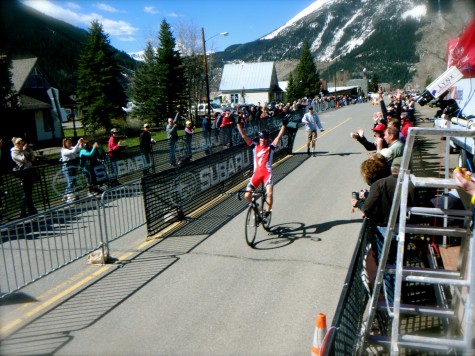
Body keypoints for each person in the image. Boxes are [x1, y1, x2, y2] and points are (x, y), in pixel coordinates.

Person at [236, 118, 288, 222]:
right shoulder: (254, 146)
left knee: (269, 193)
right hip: (256, 174)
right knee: (247, 195)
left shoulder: (271, 147)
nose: (262, 140)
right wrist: (238, 123)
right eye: (261, 138)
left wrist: (284, 125)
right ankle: (258, 209)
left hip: (266, 174)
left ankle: (266, 215)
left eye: (264, 138)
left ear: (268, 139)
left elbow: (279, 136)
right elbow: (244, 136)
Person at [11, 137, 38, 217]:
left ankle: (30, 209)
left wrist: (30, 150)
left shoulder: (23, 150)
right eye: (21, 143)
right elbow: (23, 160)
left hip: (30, 171)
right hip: (24, 173)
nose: (23, 144)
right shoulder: (14, 152)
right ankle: (23, 210)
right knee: (26, 193)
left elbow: (32, 159)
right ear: (17, 144)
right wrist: (24, 151)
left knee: (29, 192)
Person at [61, 137, 84, 202]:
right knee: (70, 182)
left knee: (74, 181)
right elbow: (73, 151)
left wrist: (81, 143)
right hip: (67, 168)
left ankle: (76, 196)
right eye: (69, 142)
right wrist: (78, 143)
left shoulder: (71, 148)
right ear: (65, 143)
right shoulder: (64, 150)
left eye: (71, 142)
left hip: (73, 167)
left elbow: (78, 149)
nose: (70, 143)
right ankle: (65, 195)